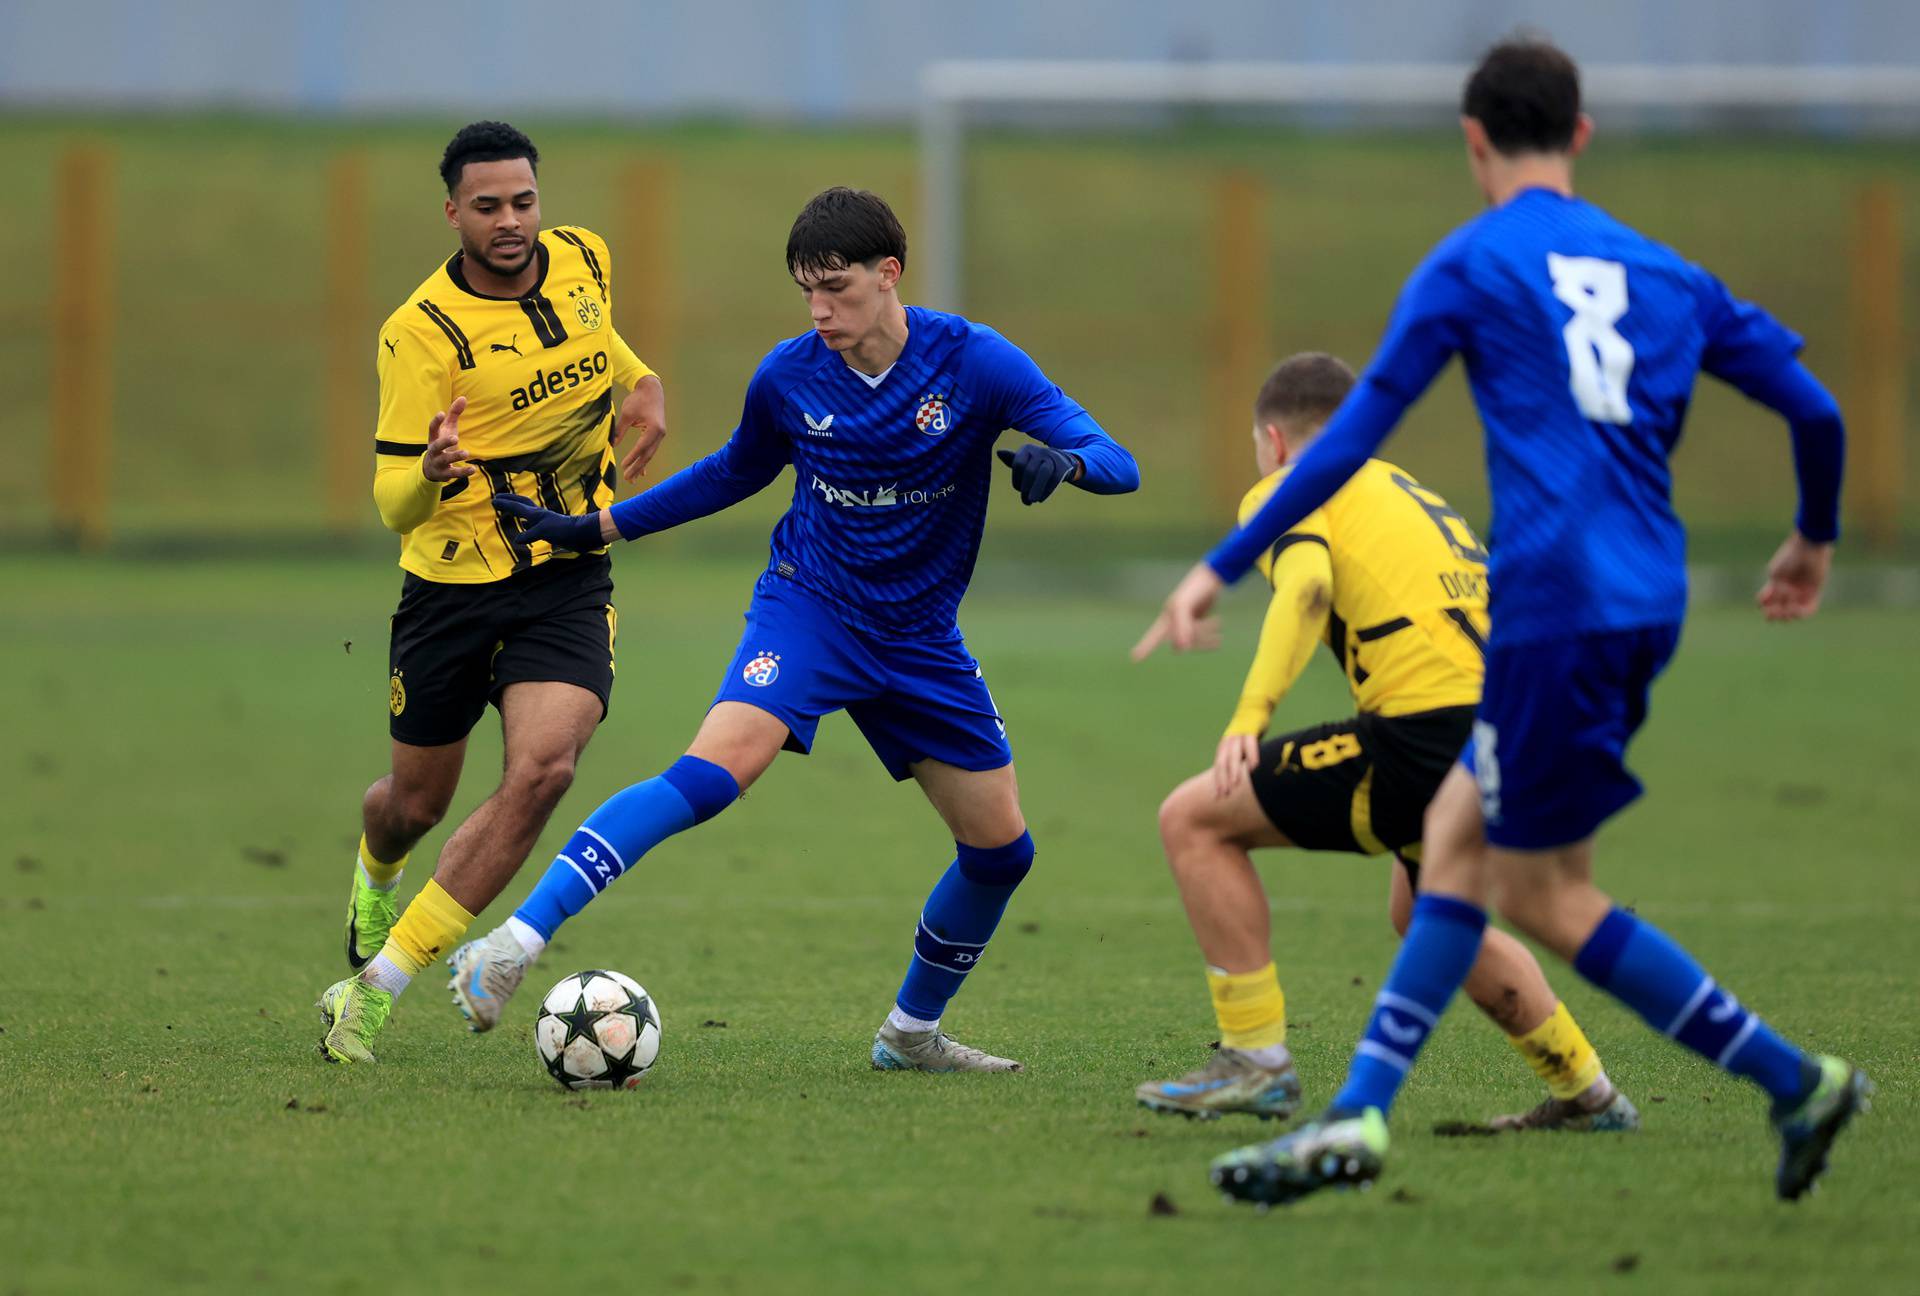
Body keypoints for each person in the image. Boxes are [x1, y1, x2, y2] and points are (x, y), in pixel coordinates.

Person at [1137, 38, 1866, 1204]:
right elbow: (1816, 409)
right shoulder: (1668, 274)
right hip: (1643, 606)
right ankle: (1361, 1121)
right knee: (1460, 864)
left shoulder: (1473, 265)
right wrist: (1811, 537)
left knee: (1541, 893)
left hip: (1551, 615)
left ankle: (1797, 1077)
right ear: (1580, 135)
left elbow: (1356, 430)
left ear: (1473, 141)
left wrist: (1219, 567)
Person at [339, 185, 1139, 1072]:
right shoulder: (791, 376)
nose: (820, 310)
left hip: (919, 639)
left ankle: (911, 1034)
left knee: (1000, 853)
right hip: (811, 609)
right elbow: (731, 473)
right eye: (806, 290)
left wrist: (1064, 463)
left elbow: (1119, 461)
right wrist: (600, 526)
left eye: (836, 288)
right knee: (714, 775)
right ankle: (514, 946)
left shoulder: (975, 362)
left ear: (890, 274)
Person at [1134, 352, 1633, 1132]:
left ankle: (1254, 1060)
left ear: (1273, 439)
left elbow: (1306, 587)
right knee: (1430, 912)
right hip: (1509, 726)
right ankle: (1587, 1092)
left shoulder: (1288, 487)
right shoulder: (1411, 493)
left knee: (1191, 818)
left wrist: (1249, 717)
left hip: (1424, 735)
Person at [319, 121, 667, 1063]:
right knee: (413, 802)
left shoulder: (585, 259)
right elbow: (392, 503)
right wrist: (430, 469)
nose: (510, 221)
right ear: (452, 214)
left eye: (523, 201)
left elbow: (599, 344)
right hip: (450, 590)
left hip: (565, 572)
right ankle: (375, 869)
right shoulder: (419, 334)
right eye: (487, 207)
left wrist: (643, 384)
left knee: (546, 769)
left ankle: (378, 987)